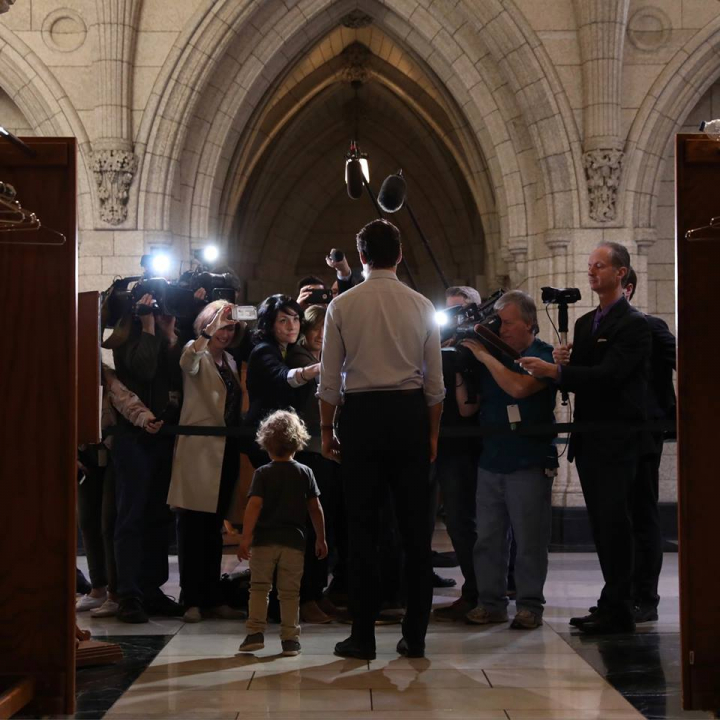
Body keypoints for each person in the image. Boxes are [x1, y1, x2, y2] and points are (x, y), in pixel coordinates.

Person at [319, 218, 444, 660]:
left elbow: (330, 380)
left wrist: (326, 431)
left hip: (363, 418)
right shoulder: (422, 305)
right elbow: (435, 384)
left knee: (363, 531)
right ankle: (416, 635)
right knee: (415, 533)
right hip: (409, 413)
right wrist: (431, 433)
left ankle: (363, 636)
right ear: (400, 255)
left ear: (364, 257)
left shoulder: (343, 305)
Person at [519, 242, 651, 634]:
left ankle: (621, 606)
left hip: (618, 438)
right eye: (590, 265)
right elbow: (586, 374)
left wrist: (555, 372)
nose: (592, 272)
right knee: (602, 525)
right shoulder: (585, 322)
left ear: (621, 273)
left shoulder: (634, 324)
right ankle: (610, 601)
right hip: (590, 438)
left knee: (616, 524)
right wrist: (567, 364)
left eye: (600, 266)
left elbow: (611, 376)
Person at [455, 291, 557, 630]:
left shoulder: (542, 355)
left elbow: (518, 389)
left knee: (530, 539)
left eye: (508, 322)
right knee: (488, 539)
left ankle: (529, 606)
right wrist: (460, 367)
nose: (501, 329)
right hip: (492, 459)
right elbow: (467, 408)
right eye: (497, 322)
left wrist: (484, 357)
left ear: (529, 323)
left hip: (528, 461)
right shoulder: (493, 355)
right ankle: (491, 603)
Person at [167, 300, 247, 623]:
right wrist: (207, 331)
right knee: (192, 527)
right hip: (199, 449)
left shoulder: (229, 359)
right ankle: (192, 599)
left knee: (214, 527)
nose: (225, 333)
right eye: (220, 326)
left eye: (230, 327)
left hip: (224, 449)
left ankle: (212, 596)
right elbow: (188, 363)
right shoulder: (194, 349)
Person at [110, 294, 184, 623]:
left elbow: (171, 377)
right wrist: (148, 326)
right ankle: (128, 593)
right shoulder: (125, 341)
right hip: (133, 437)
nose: (161, 312)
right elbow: (143, 367)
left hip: (162, 438)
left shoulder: (166, 339)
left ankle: (152, 588)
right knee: (132, 515)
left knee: (158, 515)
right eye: (154, 307)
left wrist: (167, 334)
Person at [238, 410, 327, 657]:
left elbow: (254, 506)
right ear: (298, 442)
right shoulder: (305, 472)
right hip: (294, 544)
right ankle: (290, 639)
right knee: (289, 593)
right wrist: (321, 537)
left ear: (265, 443)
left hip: (264, 542)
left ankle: (255, 632)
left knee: (259, 588)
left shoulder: (263, 474)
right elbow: (315, 508)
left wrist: (245, 538)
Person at [76, 365, 163, 618]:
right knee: (87, 521)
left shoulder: (106, 378)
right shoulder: (71, 380)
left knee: (108, 521)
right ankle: (98, 587)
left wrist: (147, 419)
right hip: (85, 455)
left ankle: (115, 592)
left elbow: (127, 401)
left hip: (112, 454)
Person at [623, 268, 676, 622]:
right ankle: (623, 593)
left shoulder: (650, 326)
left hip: (644, 433)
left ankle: (646, 596)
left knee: (642, 514)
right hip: (614, 435)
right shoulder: (602, 328)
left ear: (627, 287)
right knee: (622, 517)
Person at [286, 305, 341, 624]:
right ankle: (305, 596)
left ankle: (317, 592)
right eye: (315, 328)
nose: (321, 334)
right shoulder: (300, 359)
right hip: (308, 452)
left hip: (326, 452)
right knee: (308, 527)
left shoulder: (327, 358)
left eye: (327, 328)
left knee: (325, 525)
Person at [432, 287, 482, 621]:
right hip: (439, 443)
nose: (454, 320)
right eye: (449, 312)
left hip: (467, 447)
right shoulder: (436, 346)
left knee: (466, 521)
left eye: (461, 312)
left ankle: (479, 590)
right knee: (452, 520)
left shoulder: (479, 349)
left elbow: (469, 407)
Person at [245, 295, 320, 466]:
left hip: (280, 435)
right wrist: (319, 368)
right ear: (270, 325)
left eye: (295, 319)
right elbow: (282, 376)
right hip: (263, 437)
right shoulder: (264, 350)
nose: (291, 326)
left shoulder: (289, 348)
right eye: (283, 320)